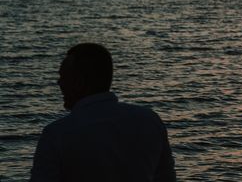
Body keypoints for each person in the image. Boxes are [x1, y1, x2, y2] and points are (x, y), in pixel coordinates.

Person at [30, 43, 176, 182]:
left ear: (79, 82)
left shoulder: (56, 134)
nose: (59, 83)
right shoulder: (149, 121)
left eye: (63, 77)